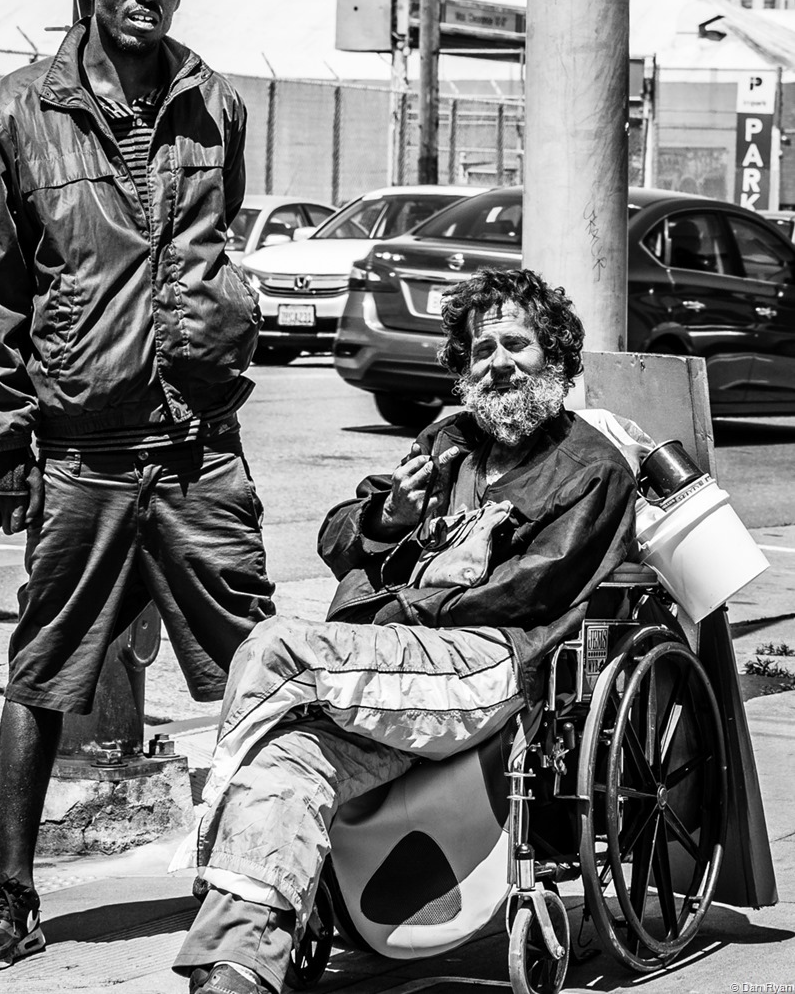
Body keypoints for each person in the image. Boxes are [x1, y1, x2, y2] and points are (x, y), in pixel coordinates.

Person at [0, 0, 274, 970]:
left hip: (198, 448)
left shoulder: (215, 102)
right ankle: (12, 893)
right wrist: (6, 439)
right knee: (41, 672)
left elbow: (212, 244)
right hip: (83, 450)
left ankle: (260, 883)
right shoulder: (20, 109)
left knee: (262, 672)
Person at [170, 267, 639, 994]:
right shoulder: (449, 441)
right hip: (400, 670)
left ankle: (203, 846)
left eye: (517, 344)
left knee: (273, 644)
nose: (499, 363)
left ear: (555, 356)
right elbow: (337, 538)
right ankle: (237, 965)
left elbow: (526, 592)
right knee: (287, 761)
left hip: (491, 664)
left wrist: (398, 608)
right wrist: (389, 515)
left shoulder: (591, 468)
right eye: (482, 350)